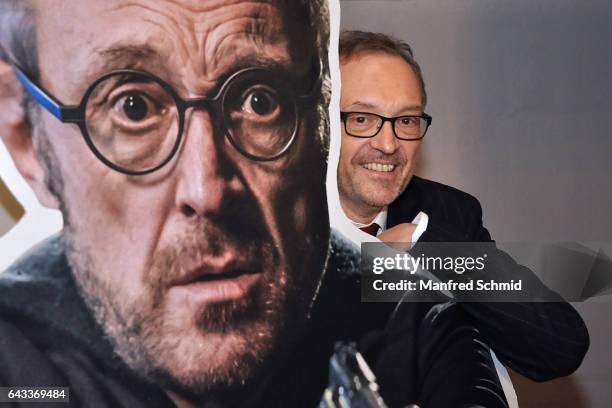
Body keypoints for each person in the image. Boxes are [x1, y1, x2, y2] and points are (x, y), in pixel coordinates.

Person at [0, 1, 508, 407]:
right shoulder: (18, 361)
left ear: (320, 122)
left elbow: (559, 341)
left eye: (259, 100)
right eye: (133, 107)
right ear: (26, 141)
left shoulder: (414, 320)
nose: (208, 188)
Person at [337, 30, 589, 382]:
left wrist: (424, 245)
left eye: (407, 120)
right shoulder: (261, 218)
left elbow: (560, 346)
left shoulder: (446, 213)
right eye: (362, 119)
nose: (388, 143)